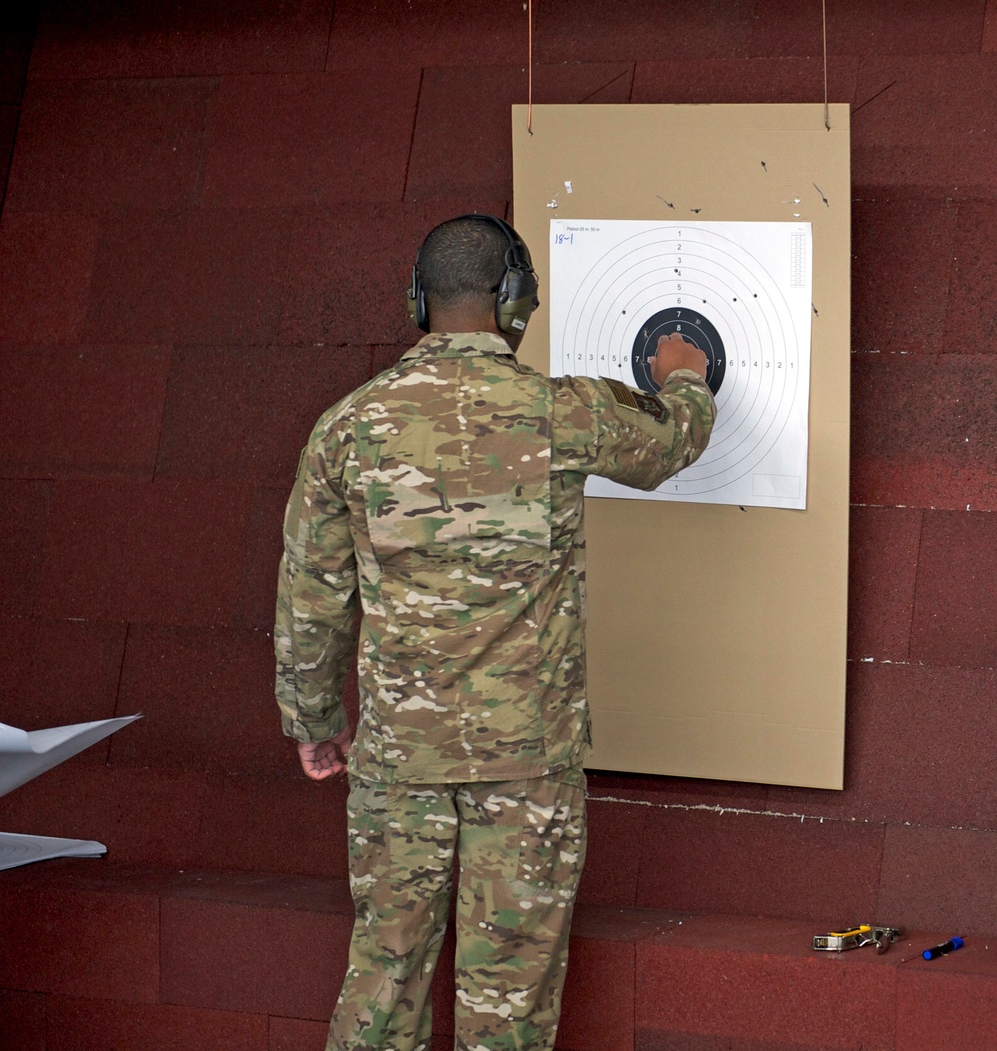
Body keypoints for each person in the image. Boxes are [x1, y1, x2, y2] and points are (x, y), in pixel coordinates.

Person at [274, 213, 716, 1051]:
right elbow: (669, 445)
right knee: (507, 997)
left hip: (398, 760)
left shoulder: (347, 426)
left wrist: (315, 722)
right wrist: (685, 374)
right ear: (513, 300)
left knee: (384, 971)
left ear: (419, 299)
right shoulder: (560, 411)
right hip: (527, 762)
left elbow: (310, 593)